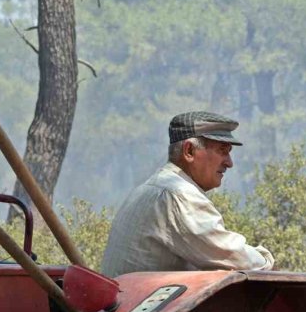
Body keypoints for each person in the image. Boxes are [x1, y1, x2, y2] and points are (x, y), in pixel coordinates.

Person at [100, 111, 274, 276]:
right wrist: (267, 260)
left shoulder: (151, 188)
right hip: (142, 298)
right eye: (222, 151)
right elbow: (240, 260)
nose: (229, 163)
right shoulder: (179, 194)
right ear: (189, 151)